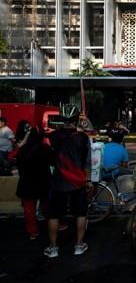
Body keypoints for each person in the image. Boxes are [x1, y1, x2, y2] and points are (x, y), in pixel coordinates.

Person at [44, 104, 91, 258]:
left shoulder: (53, 136)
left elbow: (50, 157)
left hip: (58, 181)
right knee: (80, 213)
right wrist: (88, 180)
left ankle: (53, 248)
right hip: (78, 181)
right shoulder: (83, 138)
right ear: (77, 118)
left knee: (53, 215)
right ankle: (79, 245)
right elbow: (88, 162)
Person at [16, 127, 51, 240]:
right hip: (42, 182)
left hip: (26, 182)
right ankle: (53, 225)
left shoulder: (22, 150)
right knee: (47, 206)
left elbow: (19, 166)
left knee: (29, 209)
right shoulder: (45, 148)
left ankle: (33, 231)